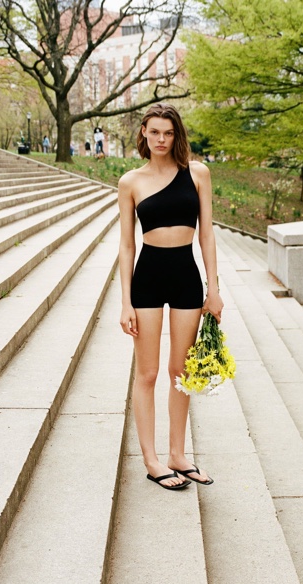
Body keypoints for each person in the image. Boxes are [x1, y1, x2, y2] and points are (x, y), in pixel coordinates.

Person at [117, 103, 223, 491]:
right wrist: (126, 301)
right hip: (147, 276)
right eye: (154, 132)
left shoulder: (197, 174)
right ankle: (152, 459)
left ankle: (178, 454)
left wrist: (214, 288)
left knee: (181, 372)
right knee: (147, 372)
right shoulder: (131, 181)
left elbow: (207, 234)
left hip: (185, 275)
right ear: (143, 133)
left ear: (176, 135)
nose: (161, 139)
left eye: (168, 132)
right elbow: (126, 246)